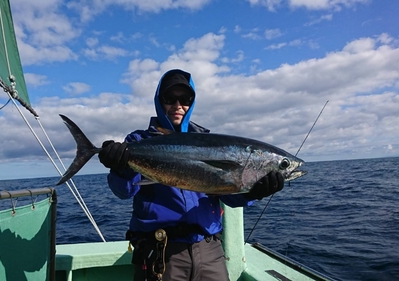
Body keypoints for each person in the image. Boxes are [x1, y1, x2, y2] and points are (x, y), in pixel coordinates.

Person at [98, 69, 284, 281]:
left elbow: (228, 197)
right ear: (159, 101)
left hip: (210, 251)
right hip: (161, 253)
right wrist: (120, 167)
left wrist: (253, 191)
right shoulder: (139, 140)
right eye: (170, 98)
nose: (178, 106)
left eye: (185, 99)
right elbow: (124, 191)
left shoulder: (208, 142)